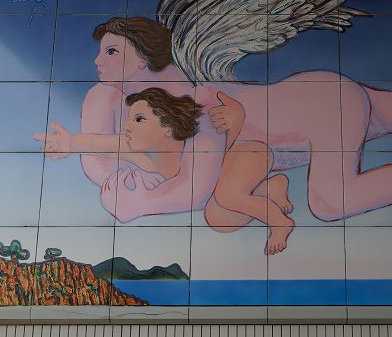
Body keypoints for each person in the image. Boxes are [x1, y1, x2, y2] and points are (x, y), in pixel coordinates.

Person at [36, 16, 392, 237]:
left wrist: (139, 205)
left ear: (142, 58)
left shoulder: (189, 103)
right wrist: (93, 154)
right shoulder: (156, 106)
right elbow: (129, 153)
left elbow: (195, 189)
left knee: (331, 200)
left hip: (316, 109)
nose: (97, 61)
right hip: (312, 99)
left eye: (111, 51)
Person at [38, 85, 296, 255]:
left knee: (228, 195)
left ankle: (280, 223)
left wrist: (236, 115)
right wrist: (70, 143)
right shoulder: (143, 154)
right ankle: (270, 189)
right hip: (230, 175)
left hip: (248, 156)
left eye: (139, 119)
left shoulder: (194, 142)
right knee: (219, 219)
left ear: (166, 127)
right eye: (130, 119)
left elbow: (225, 137)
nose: (128, 127)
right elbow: (103, 144)